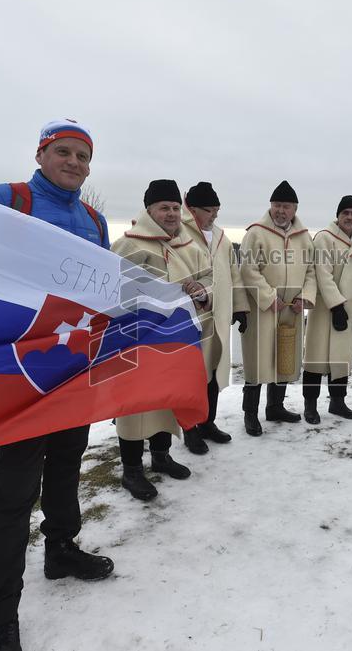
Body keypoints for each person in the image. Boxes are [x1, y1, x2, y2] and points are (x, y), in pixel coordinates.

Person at [0, 120, 114, 651]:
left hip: (72, 368)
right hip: (20, 371)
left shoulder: (94, 219)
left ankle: (61, 550)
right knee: (15, 491)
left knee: (67, 465)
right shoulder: (8, 200)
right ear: (41, 154)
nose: (74, 162)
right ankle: (0, 613)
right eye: (63, 152)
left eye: (83, 156)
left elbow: (104, 288)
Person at [111, 179, 211, 499]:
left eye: (175, 208)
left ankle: (161, 456)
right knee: (135, 406)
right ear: (149, 210)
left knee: (166, 400)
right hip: (138, 339)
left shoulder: (189, 246)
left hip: (174, 340)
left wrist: (201, 290)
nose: (171, 214)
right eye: (164, 207)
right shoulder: (129, 244)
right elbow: (112, 289)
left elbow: (209, 278)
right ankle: (131, 470)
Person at [239, 180, 316, 435]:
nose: (281, 211)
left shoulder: (304, 237)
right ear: (270, 206)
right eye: (277, 205)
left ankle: (275, 407)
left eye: (286, 206)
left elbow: (311, 271)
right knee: (258, 361)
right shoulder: (256, 233)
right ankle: (250, 414)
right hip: (263, 309)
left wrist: (305, 297)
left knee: (283, 359)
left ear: (295, 209)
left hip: (290, 309)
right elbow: (248, 269)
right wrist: (269, 297)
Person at [178, 182, 249, 454]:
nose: (214, 216)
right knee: (192, 376)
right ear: (193, 209)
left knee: (213, 374)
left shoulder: (221, 237)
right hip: (191, 317)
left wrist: (240, 307)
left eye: (217, 210)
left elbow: (234, 274)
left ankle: (208, 422)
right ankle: (190, 429)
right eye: (209, 210)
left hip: (218, 316)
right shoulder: (180, 233)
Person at [302, 195, 352, 424]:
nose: (349, 217)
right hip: (325, 309)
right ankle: (310, 405)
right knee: (315, 359)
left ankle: (337, 402)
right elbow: (322, 273)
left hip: (351, 310)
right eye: (345, 213)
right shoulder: (324, 238)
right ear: (338, 215)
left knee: (341, 360)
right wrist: (336, 306)